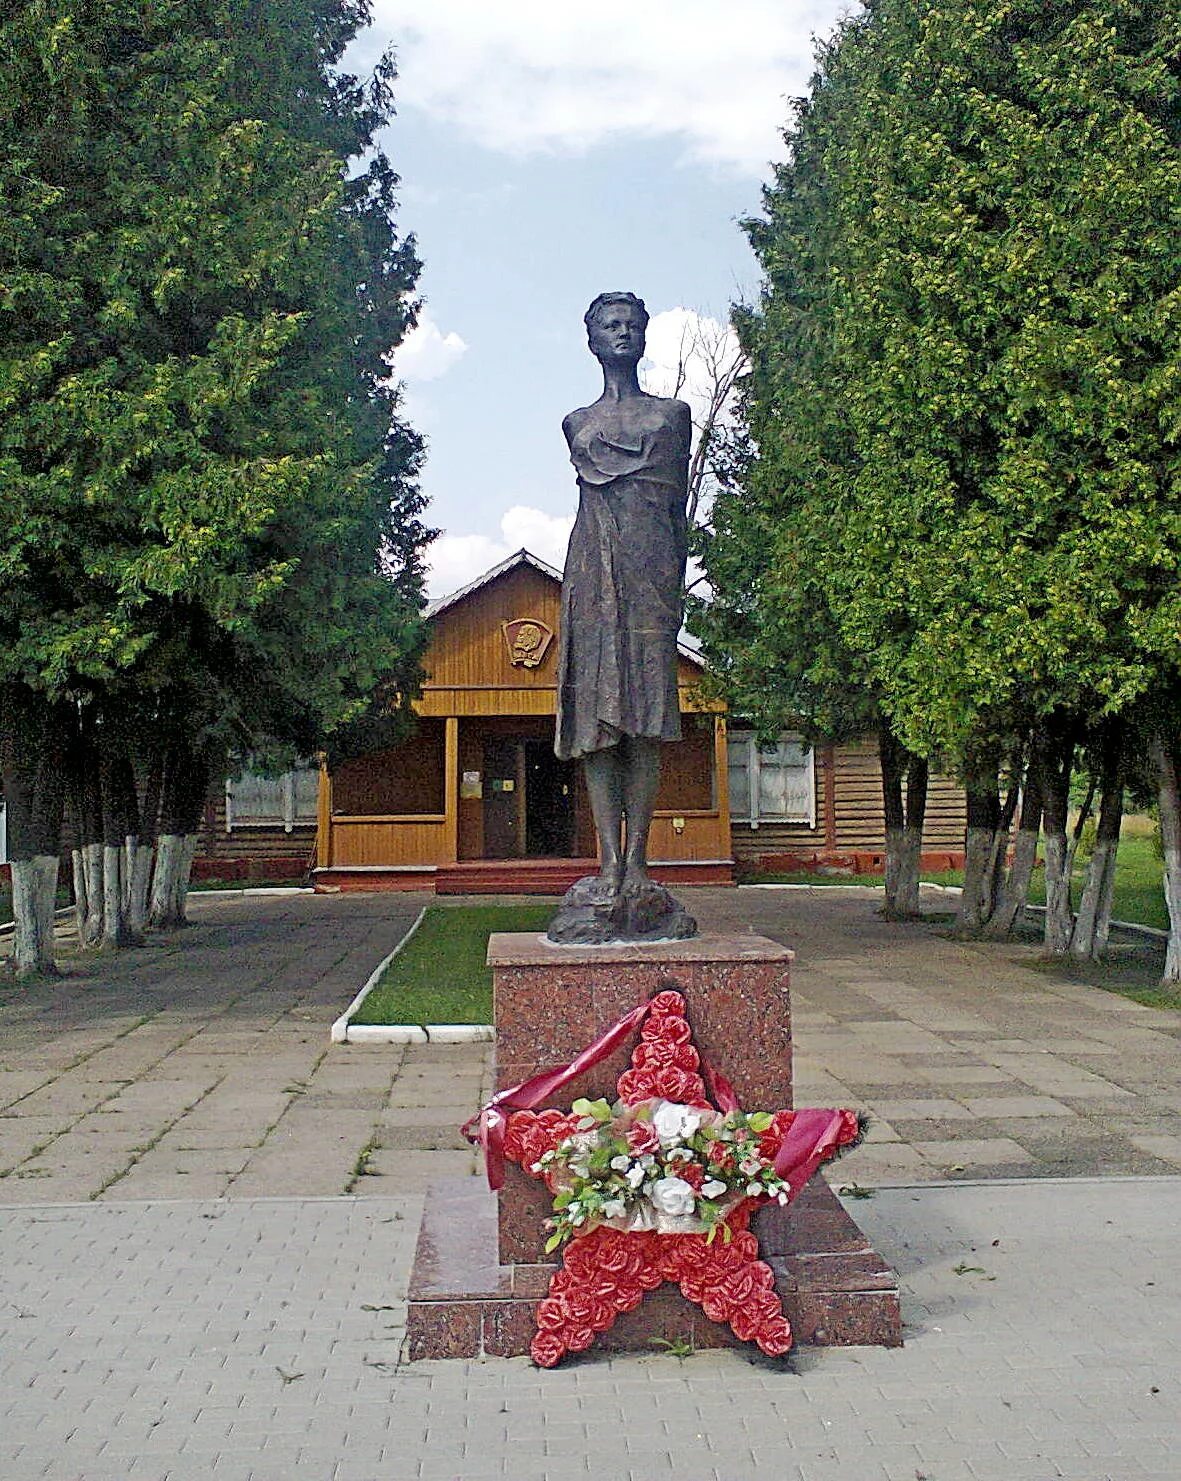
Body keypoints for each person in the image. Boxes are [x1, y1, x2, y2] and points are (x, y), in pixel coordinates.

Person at [554, 291, 692, 904]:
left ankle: (638, 863)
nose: (623, 334)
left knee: (645, 722)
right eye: (611, 326)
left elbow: (678, 511)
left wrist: (674, 586)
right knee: (596, 722)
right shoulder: (576, 424)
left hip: (650, 572)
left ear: (644, 336)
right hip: (591, 570)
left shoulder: (672, 414)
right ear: (592, 339)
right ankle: (607, 863)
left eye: (632, 325)